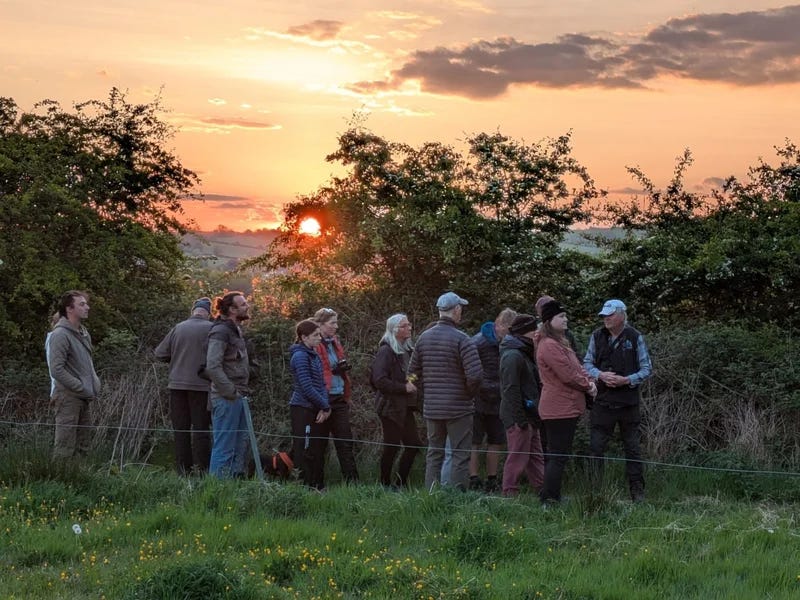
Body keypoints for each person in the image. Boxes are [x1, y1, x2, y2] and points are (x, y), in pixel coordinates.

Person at [409, 292, 482, 491]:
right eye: (461, 308)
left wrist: (423, 391)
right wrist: (467, 393)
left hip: (432, 407)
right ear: (456, 310)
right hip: (458, 407)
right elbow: (475, 375)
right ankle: (456, 497)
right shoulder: (462, 339)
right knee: (459, 453)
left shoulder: (424, 338)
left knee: (434, 453)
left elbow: (412, 373)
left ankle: (431, 495)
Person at [583, 299, 653, 502]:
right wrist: (601, 375)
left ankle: (637, 493)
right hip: (602, 402)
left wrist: (627, 380)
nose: (606, 319)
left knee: (632, 449)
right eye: (604, 315)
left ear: (622, 315)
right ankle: (595, 492)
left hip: (628, 403)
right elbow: (586, 363)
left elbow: (647, 369)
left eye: (610, 315)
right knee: (596, 448)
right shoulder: (597, 336)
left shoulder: (635, 336)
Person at [536, 300, 596, 504]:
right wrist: (588, 386)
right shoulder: (549, 345)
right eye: (560, 316)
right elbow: (568, 375)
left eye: (565, 316)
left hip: (567, 406)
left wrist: (590, 381)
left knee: (559, 455)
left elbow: (577, 367)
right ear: (549, 320)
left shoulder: (561, 343)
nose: (565, 319)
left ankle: (552, 495)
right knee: (558, 456)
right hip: (558, 408)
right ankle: (549, 499)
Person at [155, 297, 214, 475]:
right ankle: (202, 470)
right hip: (202, 387)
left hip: (177, 386)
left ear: (193, 311)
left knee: (181, 430)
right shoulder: (212, 329)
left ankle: (182, 470)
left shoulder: (178, 328)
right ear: (209, 313)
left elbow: (160, 353)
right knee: (201, 431)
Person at [46, 291, 101, 459]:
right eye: (82, 304)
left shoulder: (83, 334)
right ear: (69, 309)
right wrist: (79, 386)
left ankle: (80, 483)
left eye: (86, 304)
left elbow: (86, 364)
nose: (87, 307)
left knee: (83, 447)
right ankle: (61, 483)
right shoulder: (60, 335)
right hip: (68, 397)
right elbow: (56, 369)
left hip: (83, 396)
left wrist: (94, 384)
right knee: (64, 447)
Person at [468, 307, 517, 492]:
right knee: (474, 441)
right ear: (499, 325)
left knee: (496, 440)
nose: (509, 333)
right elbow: (470, 369)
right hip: (478, 398)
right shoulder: (478, 342)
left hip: (499, 399)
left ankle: (492, 479)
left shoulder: (510, 344)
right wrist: (477, 389)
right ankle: (473, 479)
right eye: (508, 328)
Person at [371, 313, 420, 488]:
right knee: (391, 446)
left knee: (413, 445)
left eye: (409, 324)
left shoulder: (407, 350)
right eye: (404, 325)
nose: (409, 328)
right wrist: (403, 387)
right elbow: (379, 380)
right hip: (389, 407)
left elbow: (411, 373)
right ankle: (384, 484)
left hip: (405, 406)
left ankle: (400, 483)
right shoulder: (386, 351)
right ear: (394, 329)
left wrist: (411, 382)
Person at [205, 291, 252, 478]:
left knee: (240, 444)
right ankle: (217, 491)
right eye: (243, 304)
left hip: (239, 395)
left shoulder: (235, 329)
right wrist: (230, 392)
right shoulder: (221, 331)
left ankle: (234, 489)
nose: (247, 306)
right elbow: (212, 366)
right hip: (227, 398)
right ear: (232, 309)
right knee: (224, 447)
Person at [499, 313, 545, 497]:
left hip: (530, 413)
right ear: (526, 332)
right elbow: (510, 389)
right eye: (534, 329)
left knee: (535, 456)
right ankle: (509, 493)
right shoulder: (512, 355)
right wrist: (519, 418)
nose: (537, 333)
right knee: (517, 456)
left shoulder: (524, 352)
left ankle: (544, 491)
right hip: (519, 415)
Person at [313, 307, 359, 483]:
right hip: (323, 398)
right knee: (320, 444)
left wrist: (342, 368)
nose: (336, 326)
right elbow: (318, 372)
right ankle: (317, 484)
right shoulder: (315, 344)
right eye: (332, 323)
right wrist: (334, 370)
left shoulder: (334, 342)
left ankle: (353, 483)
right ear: (320, 324)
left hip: (339, 396)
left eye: (336, 322)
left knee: (345, 442)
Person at [289, 319, 332, 489]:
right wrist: (325, 406)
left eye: (319, 335)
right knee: (304, 449)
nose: (319, 338)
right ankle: (303, 486)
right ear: (304, 337)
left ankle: (316, 484)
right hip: (302, 409)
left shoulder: (314, 355)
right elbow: (306, 386)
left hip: (315, 408)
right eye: (315, 335)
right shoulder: (300, 356)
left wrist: (324, 406)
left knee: (316, 449)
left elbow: (320, 384)